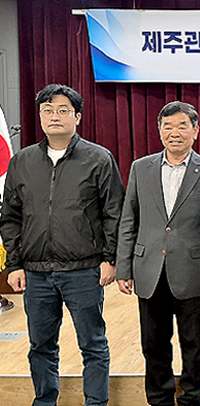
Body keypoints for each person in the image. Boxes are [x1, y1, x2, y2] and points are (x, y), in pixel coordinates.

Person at [0, 84, 124, 406]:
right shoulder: (22, 161)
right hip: (36, 273)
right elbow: (10, 217)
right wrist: (14, 264)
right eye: (48, 110)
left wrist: (110, 259)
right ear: (40, 116)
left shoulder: (98, 158)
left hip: (84, 270)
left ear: (77, 117)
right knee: (41, 346)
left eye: (63, 110)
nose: (54, 116)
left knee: (93, 344)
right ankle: (45, 401)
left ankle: (95, 403)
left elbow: (114, 213)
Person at [116, 101, 200, 406]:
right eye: (168, 126)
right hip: (149, 270)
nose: (174, 132)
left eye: (182, 126)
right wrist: (124, 268)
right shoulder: (141, 168)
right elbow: (129, 220)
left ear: (195, 131)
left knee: (194, 343)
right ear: (159, 130)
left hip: (193, 271)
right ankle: (159, 399)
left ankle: (192, 398)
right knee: (153, 343)